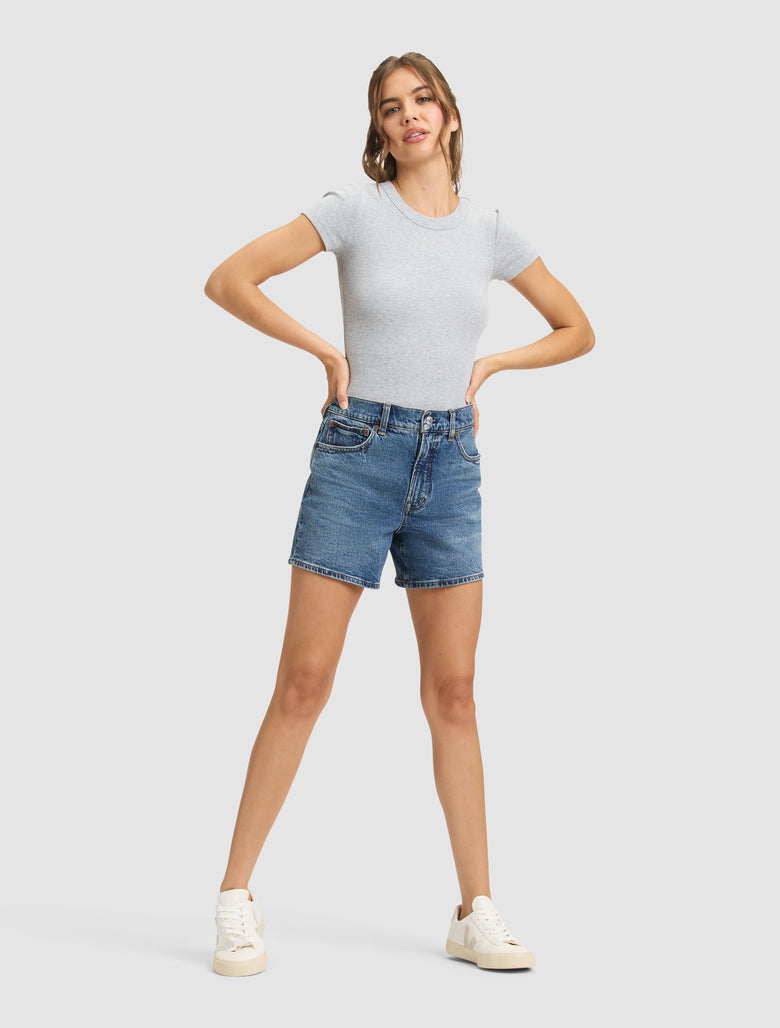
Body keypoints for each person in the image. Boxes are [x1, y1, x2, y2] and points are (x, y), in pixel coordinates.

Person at [203, 51, 594, 977]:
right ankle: (234, 896)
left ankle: (475, 910)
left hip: (451, 462)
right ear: (379, 131)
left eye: (423, 101)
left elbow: (579, 328)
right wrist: (323, 355)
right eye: (390, 108)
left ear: (451, 118)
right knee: (304, 681)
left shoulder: (493, 233)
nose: (409, 116)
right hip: (357, 455)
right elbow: (230, 280)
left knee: (454, 693)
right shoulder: (352, 212)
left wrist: (495, 366)